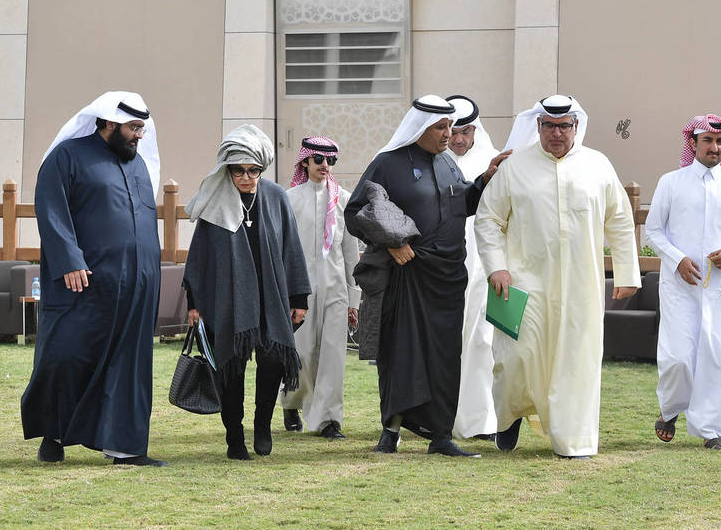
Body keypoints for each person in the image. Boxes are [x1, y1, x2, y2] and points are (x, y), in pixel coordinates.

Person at [475, 94, 640, 460]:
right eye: (548, 125)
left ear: (576, 127)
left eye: (564, 126)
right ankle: (509, 414)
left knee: (576, 359)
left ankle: (573, 440)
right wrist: (496, 266)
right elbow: (488, 219)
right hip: (523, 281)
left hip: (583, 284)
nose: (556, 133)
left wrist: (627, 273)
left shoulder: (597, 165)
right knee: (518, 355)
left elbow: (619, 220)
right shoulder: (515, 167)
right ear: (538, 126)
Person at [345, 95, 509, 458]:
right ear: (420, 128)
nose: (448, 134)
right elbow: (356, 211)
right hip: (407, 275)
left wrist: (485, 179)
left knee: (444, 356)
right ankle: (390, 432)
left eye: (450, 126)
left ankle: (440, 436)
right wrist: (391, 243)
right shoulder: (387, 164)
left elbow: (462, 204)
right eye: (440, 127)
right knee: (402, 352)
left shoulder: (448, 164)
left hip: (447, 277)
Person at [22, 91, 167, 466]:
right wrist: (69, 259)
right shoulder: (67, 157)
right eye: (134, 127)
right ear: (108, 122)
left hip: (138, 283)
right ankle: (53, 434)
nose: (140, 135)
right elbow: (51, 209)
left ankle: (125, 448)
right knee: (66, 355)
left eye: (142, 128)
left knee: (130, 362)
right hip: (83, 282)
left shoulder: (138, 164)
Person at [183, 124, 310, 460]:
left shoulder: (275, 196)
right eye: (238, 170)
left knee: (271, 361)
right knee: (231, 367)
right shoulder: (215, 200)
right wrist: (194, 303)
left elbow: (291, 249)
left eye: (253, 170)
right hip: (227, 299)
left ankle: (263, 425)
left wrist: (299, 298)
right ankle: (234, 436)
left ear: (261, 169)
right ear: (228, 170)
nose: (246, 177)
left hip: (271, 297)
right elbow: (200, 257)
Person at [645, 114, 721, 452]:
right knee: (679, 357)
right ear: (693, 143)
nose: (715, 147)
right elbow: (653, 230)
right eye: (708, 141)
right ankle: (670, 410)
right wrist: (677, 259)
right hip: (680, 285)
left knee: (718, 356)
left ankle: (712, 431)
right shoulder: (671, 181)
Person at [278, 136, 360, 439]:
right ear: (305, 162)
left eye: (330, 161)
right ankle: (292, 401)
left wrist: (354, 299)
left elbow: (350, 252)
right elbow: (282, 249)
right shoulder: (289, 198)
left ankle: (328, 420)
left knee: (333, 354)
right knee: (302, 352)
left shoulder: (343, 199)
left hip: (336, 287)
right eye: (319, 160)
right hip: (299, 289)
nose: (325, 166)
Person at [444, 95, 500, 441]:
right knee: (444, 341)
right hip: (440, 266)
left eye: (466, 131)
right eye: (454, 132)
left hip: (481, 266)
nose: (459, 140)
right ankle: (439, 418)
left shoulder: (493, 162)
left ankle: (479, 421)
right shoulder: (430, 159)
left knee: (481, 341)